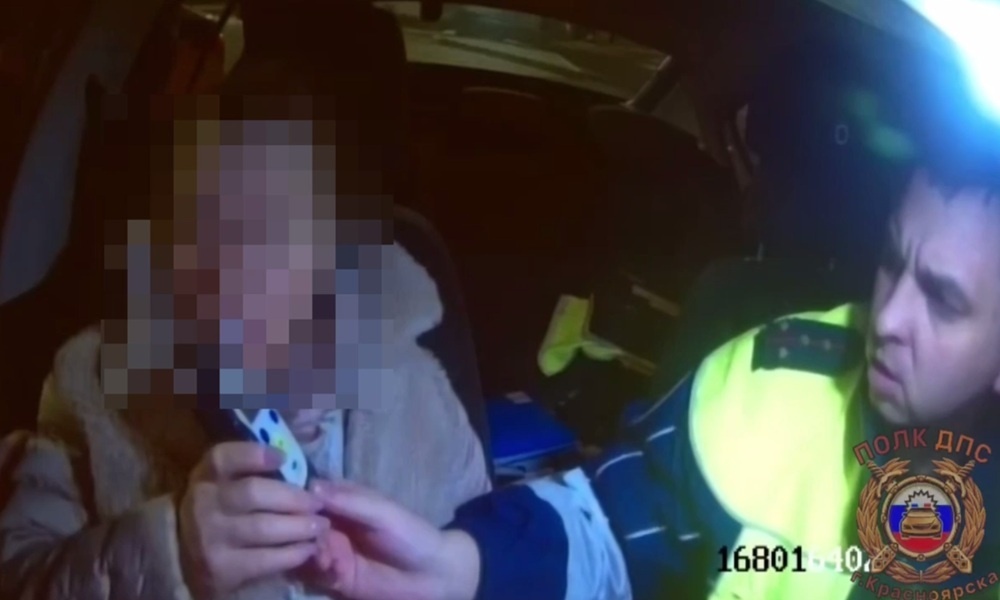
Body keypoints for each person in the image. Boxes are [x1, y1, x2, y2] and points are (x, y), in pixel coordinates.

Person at [297, 125, 1000, 598]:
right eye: (890, 262)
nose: (890, 317)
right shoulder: (776, 382)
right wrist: (460, 566)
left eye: (943, 300)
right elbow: (609, 528)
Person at [0, 57, 490, 600]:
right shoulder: (93, 388)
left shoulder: (419, 396)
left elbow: (487, 559)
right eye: (207, 226)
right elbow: (18, 577)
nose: (236, 268)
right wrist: (172, 555)